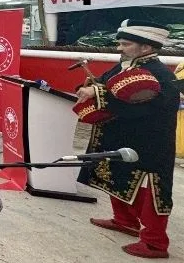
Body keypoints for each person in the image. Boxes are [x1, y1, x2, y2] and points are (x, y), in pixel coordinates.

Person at [76, 20, 178, 259]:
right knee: (117, 174)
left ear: (146, 48)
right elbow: (106, 84)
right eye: (120, 42)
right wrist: (92, 88)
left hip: (149, 143)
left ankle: (155, 243)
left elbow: (145, 106)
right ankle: (125, 221)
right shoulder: (124, 65)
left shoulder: (160, 74)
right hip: (122, 136)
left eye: (126, 43)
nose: (120, 47)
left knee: (151, 187)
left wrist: (99, 94)